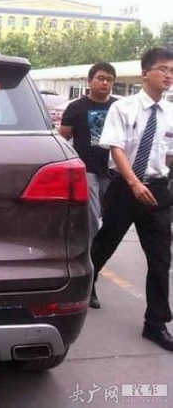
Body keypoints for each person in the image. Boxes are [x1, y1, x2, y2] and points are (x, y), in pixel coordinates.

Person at [92, 47, 173, 351]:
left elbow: (168, 154)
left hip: (157, 190)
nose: (169, 76)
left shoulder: (170, 113)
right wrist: (134, 182)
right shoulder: (123, 108)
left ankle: (156, 324)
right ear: (145, 73)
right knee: (106, 243)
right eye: (163, 69)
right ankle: (87, 282)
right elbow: (116, 148)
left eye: (172, 71)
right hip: (125, 189)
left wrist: (159, 181)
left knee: (160, 258)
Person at [59, 62, 118, 309]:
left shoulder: (119, 107)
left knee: (111, 226)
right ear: (90, 81)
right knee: (93, 223)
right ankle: (88, 279)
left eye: (109, 79)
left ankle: (92, 264)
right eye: (101, 78)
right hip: (88, 172)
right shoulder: (76, 107)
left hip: (115, 173)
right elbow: (62, 138)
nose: (105, 83)